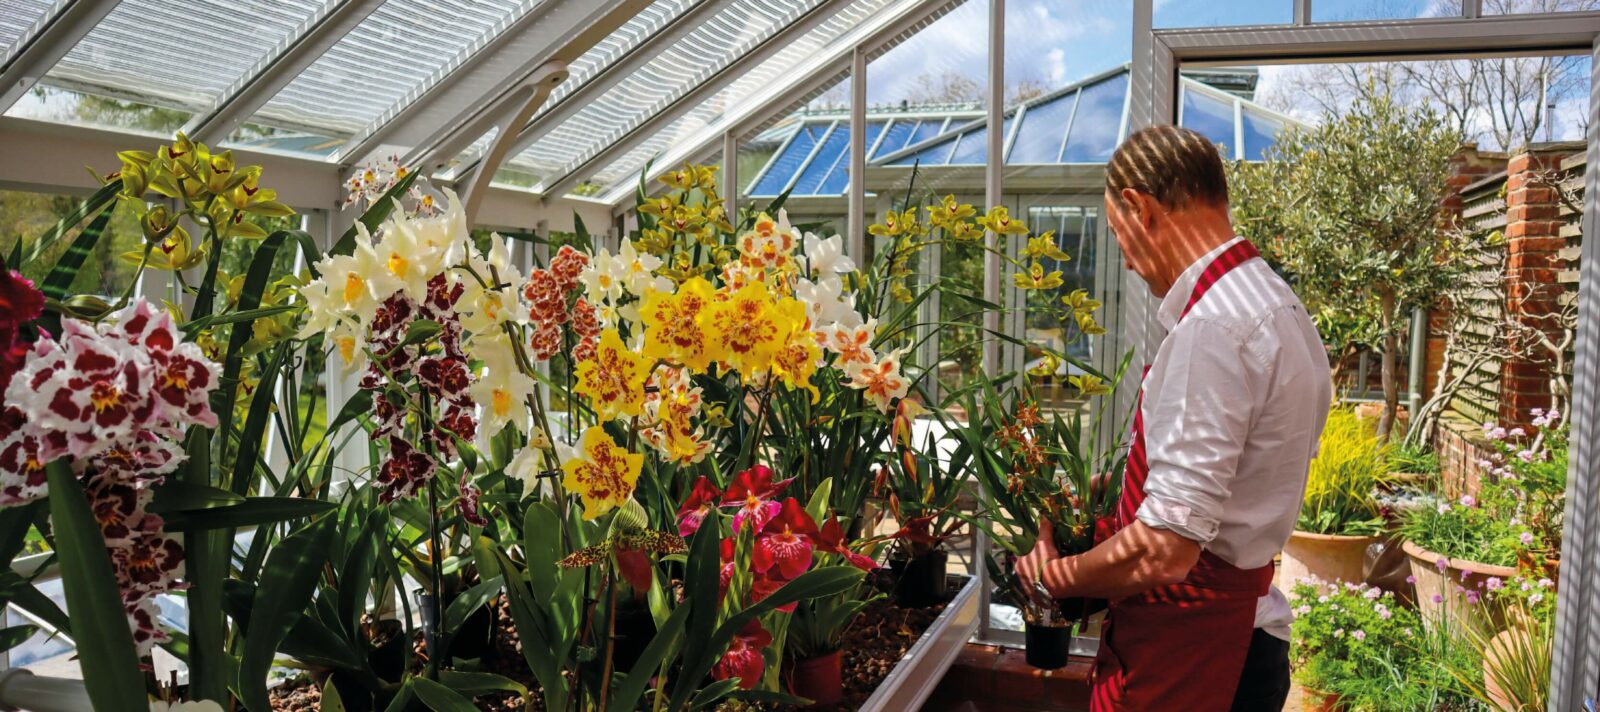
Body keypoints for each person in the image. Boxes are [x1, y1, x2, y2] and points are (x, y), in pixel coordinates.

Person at [1016, 125, 1332, 711]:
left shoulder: (1213, 329)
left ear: (1140, 208)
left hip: (1198, 651)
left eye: (1117, 234)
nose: (1128, 262)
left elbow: (1163, 549)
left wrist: (1052, 578)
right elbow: (1242, 477)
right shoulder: (1280, 305)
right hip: (1247, 641)